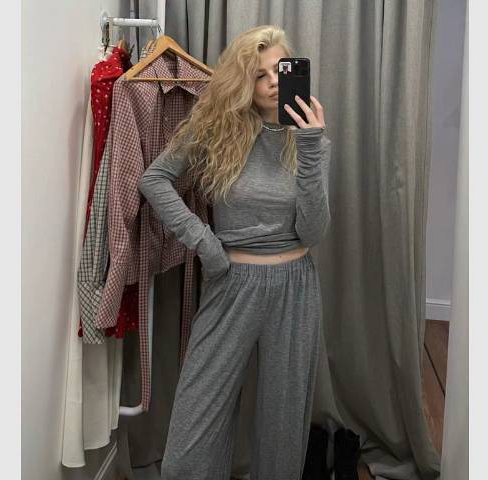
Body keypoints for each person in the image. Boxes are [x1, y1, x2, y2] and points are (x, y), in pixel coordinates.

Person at [138, 24, 331, 480]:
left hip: (295, 287)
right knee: (197, 419)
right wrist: (205, 242)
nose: (274, 82)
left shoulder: (311, 141)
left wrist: (309, 146)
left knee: (283, 424)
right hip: (232, 283)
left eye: (280, 70)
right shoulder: (215, 130)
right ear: (244, 81)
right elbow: (154, 179)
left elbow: (314, 231)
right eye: (260, 75)